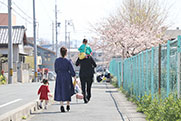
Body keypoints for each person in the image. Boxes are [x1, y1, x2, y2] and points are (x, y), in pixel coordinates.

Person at [54, 47, 76, 112]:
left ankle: (61, 105)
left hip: (59, 77)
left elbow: (56, 70)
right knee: (67, 90)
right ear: (66, 53)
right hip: (67, 76)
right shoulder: (68, 61)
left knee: (60, 90)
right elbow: (72, 70)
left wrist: (59, 73)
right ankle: (68, 105)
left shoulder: (57, 60)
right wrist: (74, 76)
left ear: (60, 53)